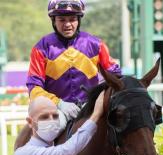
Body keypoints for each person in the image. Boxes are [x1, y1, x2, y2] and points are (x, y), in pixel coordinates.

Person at [26, 0, 121, 129]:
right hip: (56, 110)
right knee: (51, 128)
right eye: (62, 20)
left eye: (72, 19)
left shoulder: (96, 45)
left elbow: (115, 77)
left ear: (79, 20)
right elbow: (34, 88)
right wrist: (59, 104)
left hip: (91, 107)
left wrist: (97, 99)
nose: (68, 24)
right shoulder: (41, 48)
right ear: (54, 21)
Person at [14, 93, 120, 155]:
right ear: (30, 122)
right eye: (45, 117)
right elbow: (68, 150)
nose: (52, 120)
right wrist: (95, 115)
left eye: (55, 116)